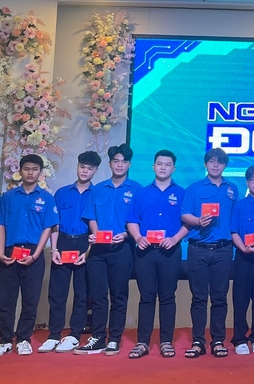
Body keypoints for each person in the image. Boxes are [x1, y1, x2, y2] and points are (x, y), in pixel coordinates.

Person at [77, 143, 143, 355]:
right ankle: (98, 337)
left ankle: (114, 338)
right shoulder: (98, 189)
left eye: (124, 161)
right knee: (97, 295)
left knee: (118, 295)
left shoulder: (137, 190)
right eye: (116, 161)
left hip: (122, 249)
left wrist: (126, 234)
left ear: (129, 164)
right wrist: (96, 234)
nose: (119, 165)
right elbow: (91, 216)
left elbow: (139, 220)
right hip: (98, 251)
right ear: (110, 164)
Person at [0, 154, 58, 356]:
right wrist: (0, 252)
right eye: (26, 169)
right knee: (5, 300)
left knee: (30, 300)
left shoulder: (47, 198)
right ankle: (5, 339)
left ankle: (24, 338)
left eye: (34, 169)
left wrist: (35, 255)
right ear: (20, 171)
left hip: (33, 253)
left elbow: (48, 229)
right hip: (9, 252)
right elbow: (0, 225)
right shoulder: (8, 197)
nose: (30, 173)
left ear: (40, 172)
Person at [126, 150, 188, 359]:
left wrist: (175, 239)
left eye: (167, 164)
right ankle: (142, 342)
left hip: (170, 251)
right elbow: (132, 220)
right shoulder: (142, 193)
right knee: (146, 297)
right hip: (145, 252)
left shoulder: (182, 194)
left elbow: (188, 222)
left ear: (174, 168)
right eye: (159, 164)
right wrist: (137, 237)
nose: (163, 167)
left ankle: (166, 342)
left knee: (168, 297)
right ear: (153, 167)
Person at [39, 151, 100, 354]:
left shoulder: (97, 194)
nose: (85, 171)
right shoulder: (62, 193)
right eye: (82, 167)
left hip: (85, 243)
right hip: (63, 241)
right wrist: (54, 249)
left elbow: (96, 227)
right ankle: (54, 334)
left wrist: (89, 251)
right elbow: (54, 224)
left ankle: (74, 335)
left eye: (90, 168)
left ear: (95, 170)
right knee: (57, 293)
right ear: (77, 166)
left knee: (82, 294)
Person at [180, 148, 238, 359]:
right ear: (206, 164)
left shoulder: (232, 189)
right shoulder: (194, 188)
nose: (215, 165)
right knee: (199, 298)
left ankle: (218, 341)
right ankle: (198, 341)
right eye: (212, 161)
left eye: (219, 162)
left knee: (220, 298)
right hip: (198, 249)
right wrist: (197, 221)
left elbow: (235, 219)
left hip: (223, 250)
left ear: (225, 165)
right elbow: (184, 214)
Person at [231, 166, 254, 356]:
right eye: (253, 179)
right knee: (241, 299)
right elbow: (234, 232)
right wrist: (243, 248)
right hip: (243, 255)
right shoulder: (239, 205)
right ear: (247, 182)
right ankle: (239, 338)